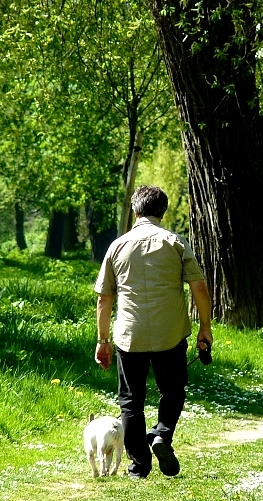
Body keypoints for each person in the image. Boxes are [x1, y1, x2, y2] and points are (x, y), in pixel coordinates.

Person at [94, 185, 213, 478]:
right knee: (173, 391)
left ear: (135, 211)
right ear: (163, 211)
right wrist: (205, 328)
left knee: (130, 400)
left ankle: (139, 466)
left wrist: (103, 340)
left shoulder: (117, 246)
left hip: (129, 335)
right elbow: (198, 286)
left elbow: (104, 298)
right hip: (169, 333)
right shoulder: (175, 242)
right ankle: (162, 434)